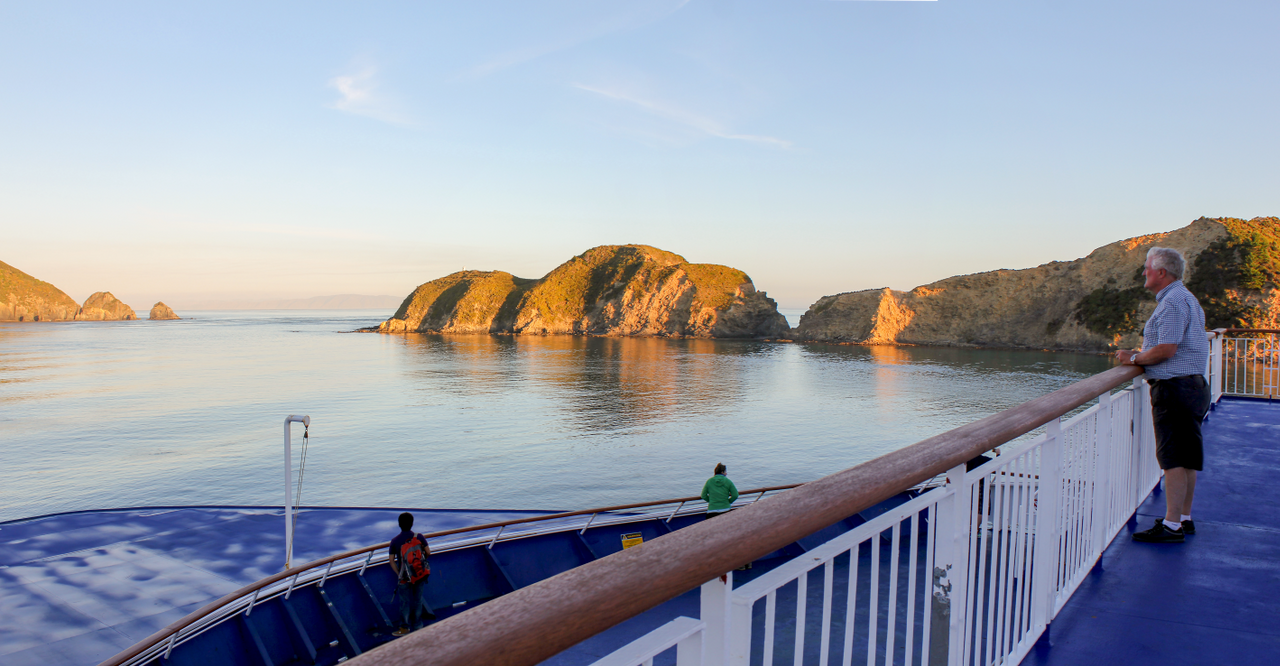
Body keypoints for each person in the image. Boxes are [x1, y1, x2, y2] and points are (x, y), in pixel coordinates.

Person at [1115, 247, 1211, 544]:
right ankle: (1183, 517)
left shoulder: (1172, 303)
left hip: (1175, 389)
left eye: (1147, 267)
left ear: (1161, 272)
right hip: (1193, 386)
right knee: (1187, 458)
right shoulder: (1187, 299)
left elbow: (1167, 349)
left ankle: (1171, 526)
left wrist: (1133, 360)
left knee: (1172, 458)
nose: (1144, 272)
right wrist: (1141, 354)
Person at [388, 512, 433, 635]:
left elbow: (391, 561)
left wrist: (399, 574)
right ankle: (418, 625)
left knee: (404, 602)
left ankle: (404, 628)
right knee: (417, 600)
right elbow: (428, 552)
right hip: (418, 574)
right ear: (412, 524)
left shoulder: (395, 541)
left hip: (404, 577)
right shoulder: (419, 537)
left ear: (399, 524)